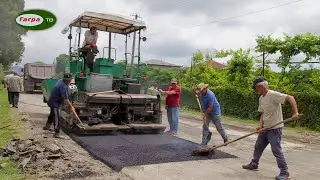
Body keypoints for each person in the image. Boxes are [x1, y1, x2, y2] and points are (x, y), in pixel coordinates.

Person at [242, 76, 300, 180]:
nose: (255, 90)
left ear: (261, 87)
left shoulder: (273, 95)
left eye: (256, 88)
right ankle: (254, 164)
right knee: (258, 146)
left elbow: (290, 97)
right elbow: (263, 113)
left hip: (275, 129)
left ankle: (285, 173)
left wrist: (295, 112)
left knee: (276, 150)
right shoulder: (261, 98)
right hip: (265, 129)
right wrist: (260, 125)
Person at [43, 73, 76, 138]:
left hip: (54, 100)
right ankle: (56, 132)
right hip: (55, 102)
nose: (69, 81)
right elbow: (66, 100)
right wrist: (71, 107)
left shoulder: (61, 81)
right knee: (57, 117)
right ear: (65, 79)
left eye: (70, 80)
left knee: (52, 114)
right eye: (68, 80)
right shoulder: (63, 86)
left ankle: (47, 126)